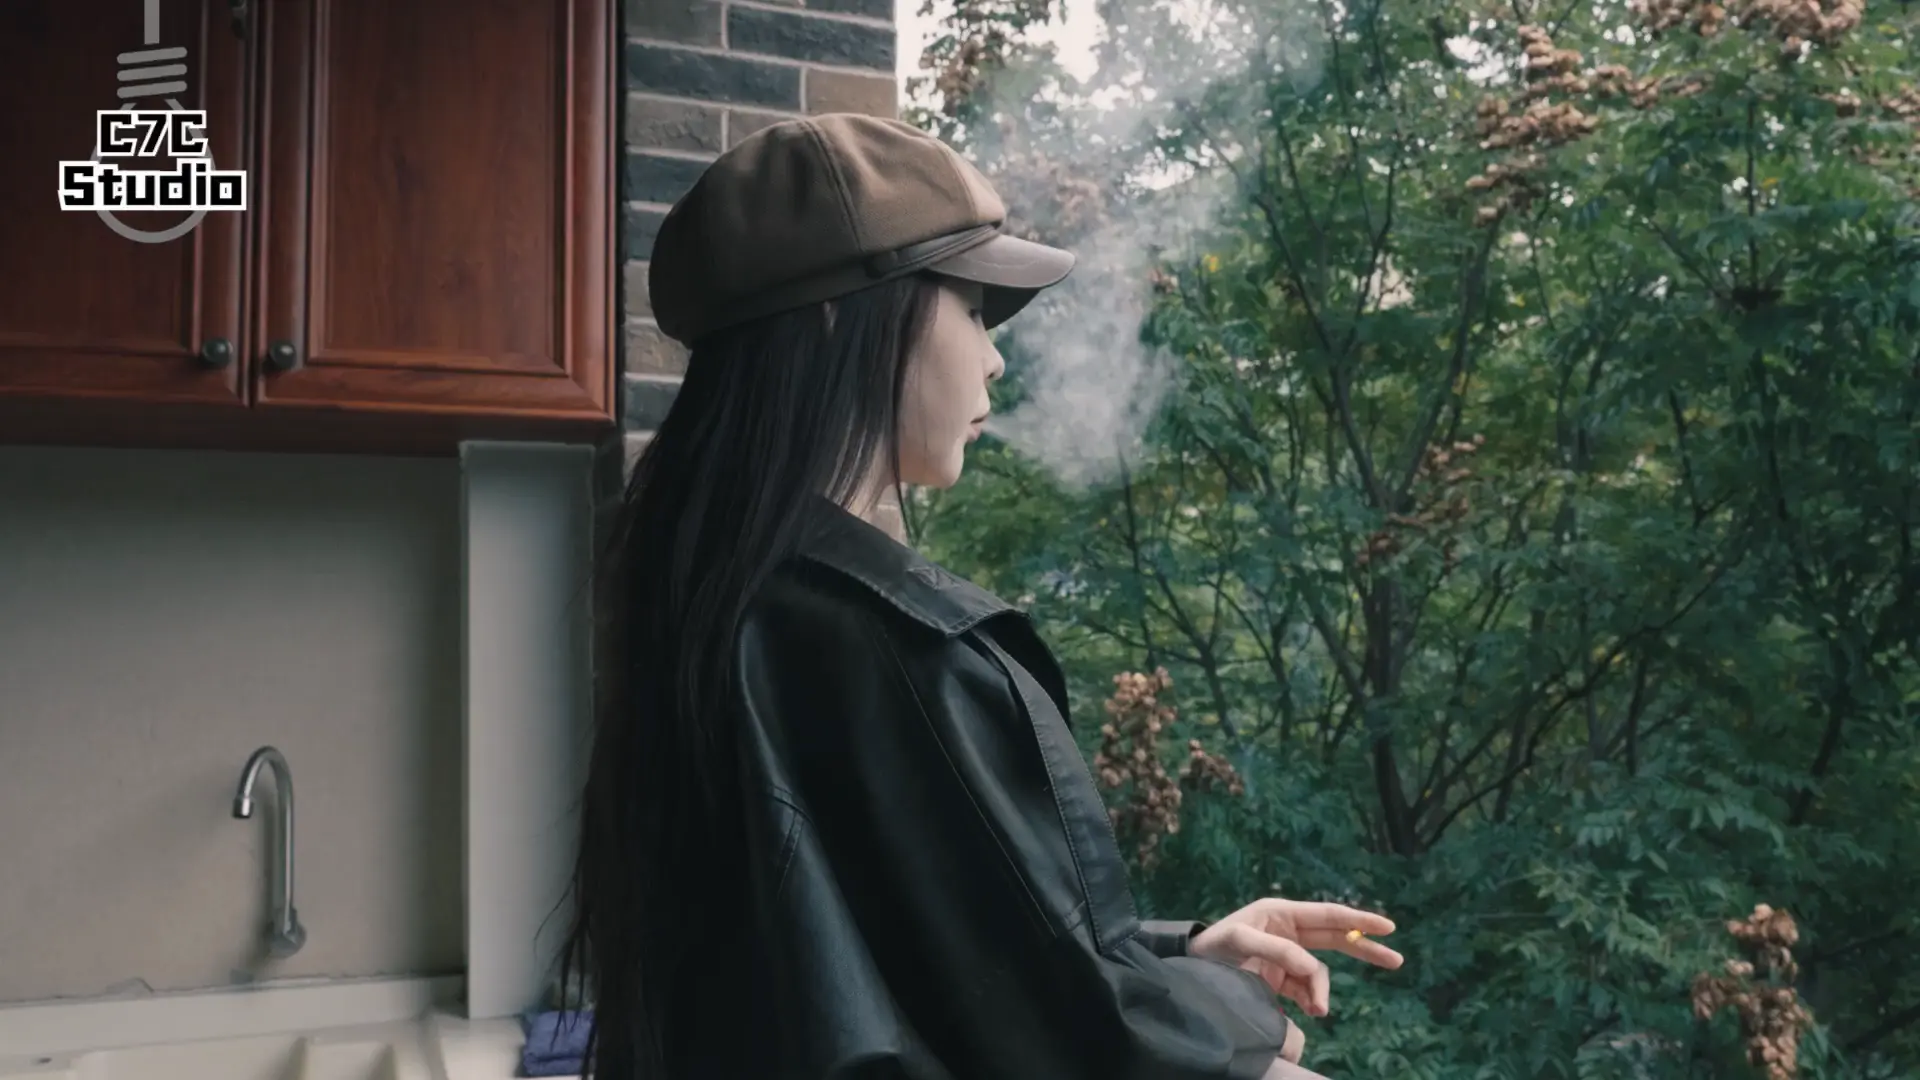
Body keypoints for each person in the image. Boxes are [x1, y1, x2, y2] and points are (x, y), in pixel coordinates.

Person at [559, 113, 1404, 1080]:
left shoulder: (713, 600)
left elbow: (914, 968)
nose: (995, 357)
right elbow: (1080, 1045)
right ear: (836, 317)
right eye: (968, 308)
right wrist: (1237, 1010)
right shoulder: (892, 645)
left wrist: (1174, 954)